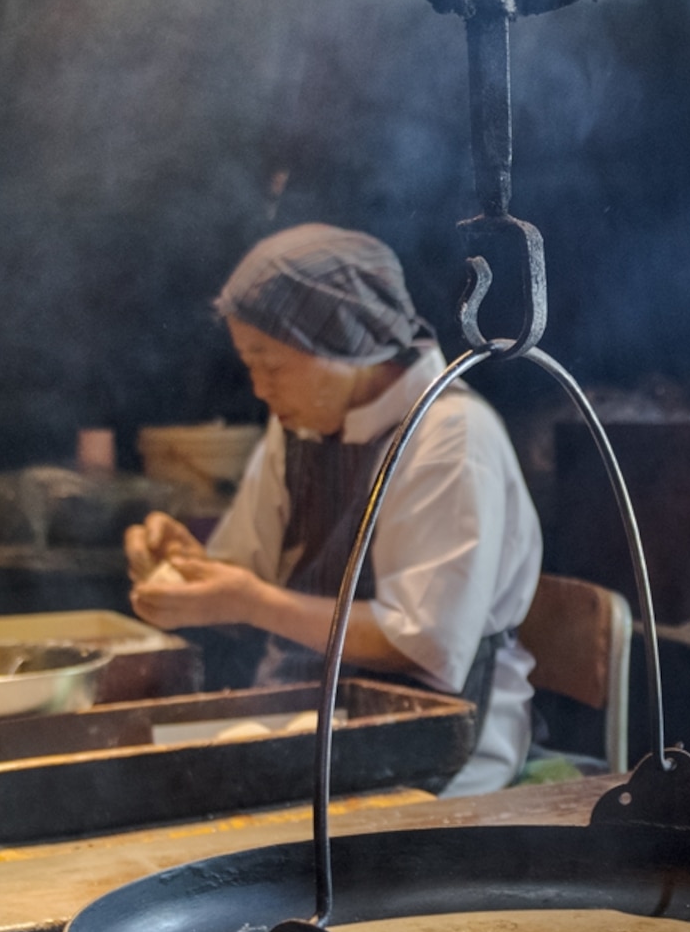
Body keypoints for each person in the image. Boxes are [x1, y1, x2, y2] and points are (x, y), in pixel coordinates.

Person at [125, 224, 542, 796]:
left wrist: (247, 601)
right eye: (248, 363)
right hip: (313, 715)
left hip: (439, 738)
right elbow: (244, 574)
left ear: (348, 345)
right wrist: (184, 565)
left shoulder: (449, 436)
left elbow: (421, 645)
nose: (259, 387)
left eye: (269, 363)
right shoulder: (298, 426)